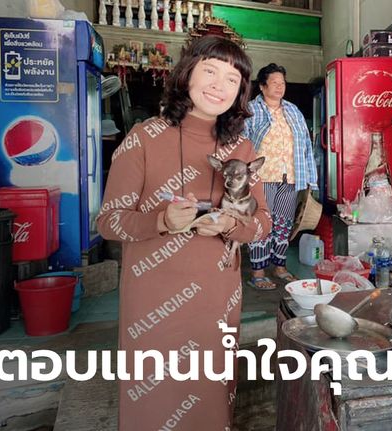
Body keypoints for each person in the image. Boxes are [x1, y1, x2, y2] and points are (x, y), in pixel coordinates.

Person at [96, 36, 271, 430]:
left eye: (231, 78)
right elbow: (108, 220)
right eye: (209, 70)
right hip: (152, 305)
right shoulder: (143, 138)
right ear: (187, 73)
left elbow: (264, 225)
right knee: (153, 404)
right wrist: (160, 221)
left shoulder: (241, 149)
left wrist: (232, 225)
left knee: (210, 402)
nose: (218, 85)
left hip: (217, 302)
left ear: (240, 92)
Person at [243, 63, 318, 290]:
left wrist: (309, 178)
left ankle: (280, 267)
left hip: (290, 176)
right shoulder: (251, 110)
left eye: (282, 83)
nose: (279, 87)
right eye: (274, 83)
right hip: (262, 177)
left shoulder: (293, 111)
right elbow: (241, 143)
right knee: (262, 223)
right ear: (263, 87)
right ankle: (258, 272)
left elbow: (305, 145)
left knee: (284, 224)